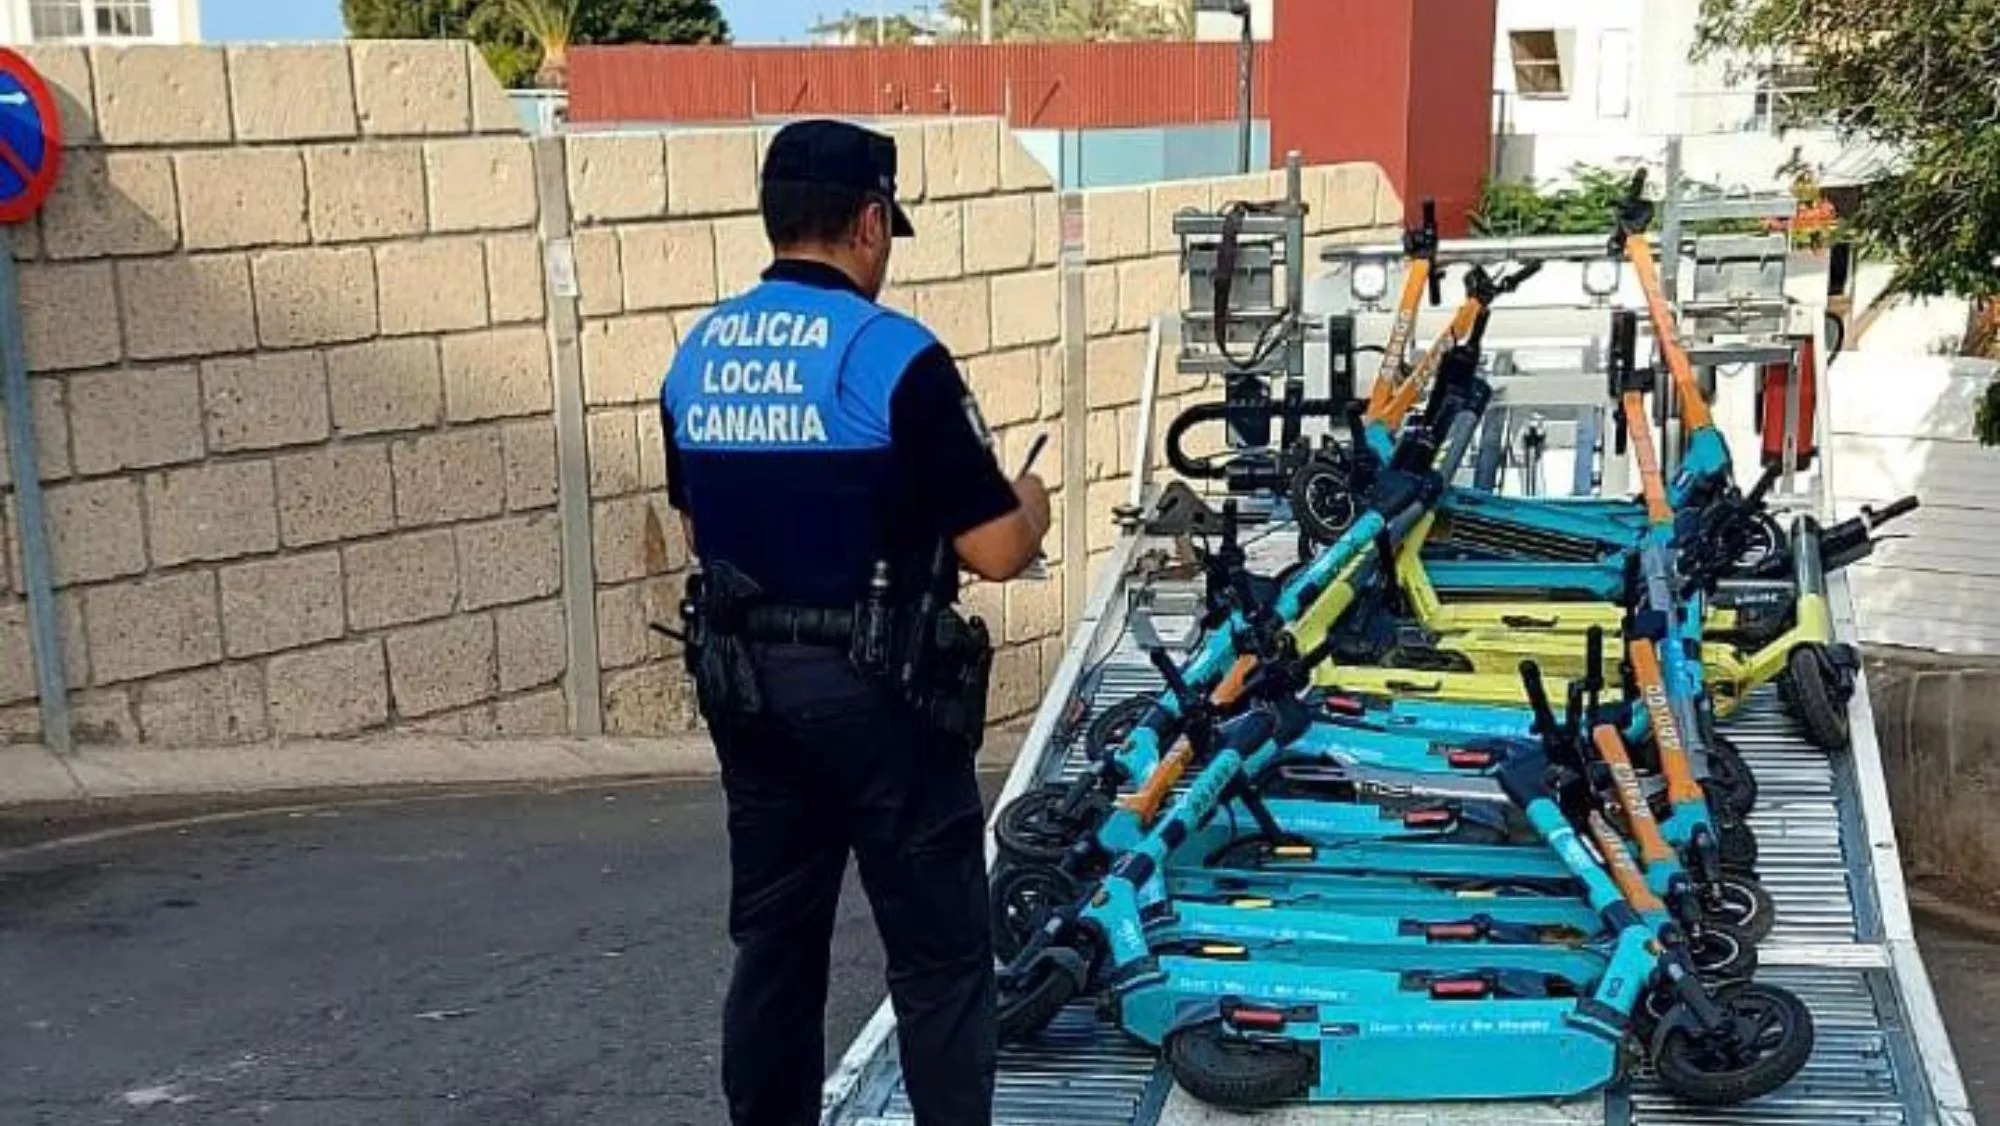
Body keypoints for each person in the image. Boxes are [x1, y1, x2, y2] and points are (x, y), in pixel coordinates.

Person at [658, 119, 1052, 1126]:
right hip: (882, 697)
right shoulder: (894, 357)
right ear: (870, 222)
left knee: (775, 946)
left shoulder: (698, 354)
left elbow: (699, 525)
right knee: (939, 957)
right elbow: (994, 549)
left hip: (748, 692)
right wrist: (1032, 501)